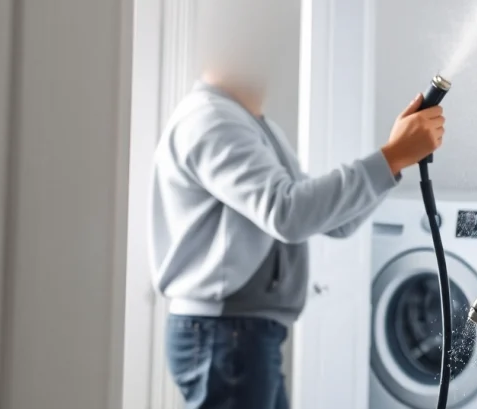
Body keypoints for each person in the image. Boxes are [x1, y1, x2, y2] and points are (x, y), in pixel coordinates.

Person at [149, 57, 445, 408]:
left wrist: (395, 160)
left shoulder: (250, 123)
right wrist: (391, 157)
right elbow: (287, 214)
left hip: (239, 332)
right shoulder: (214, 119)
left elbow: (333, 221)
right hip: (226, 331)